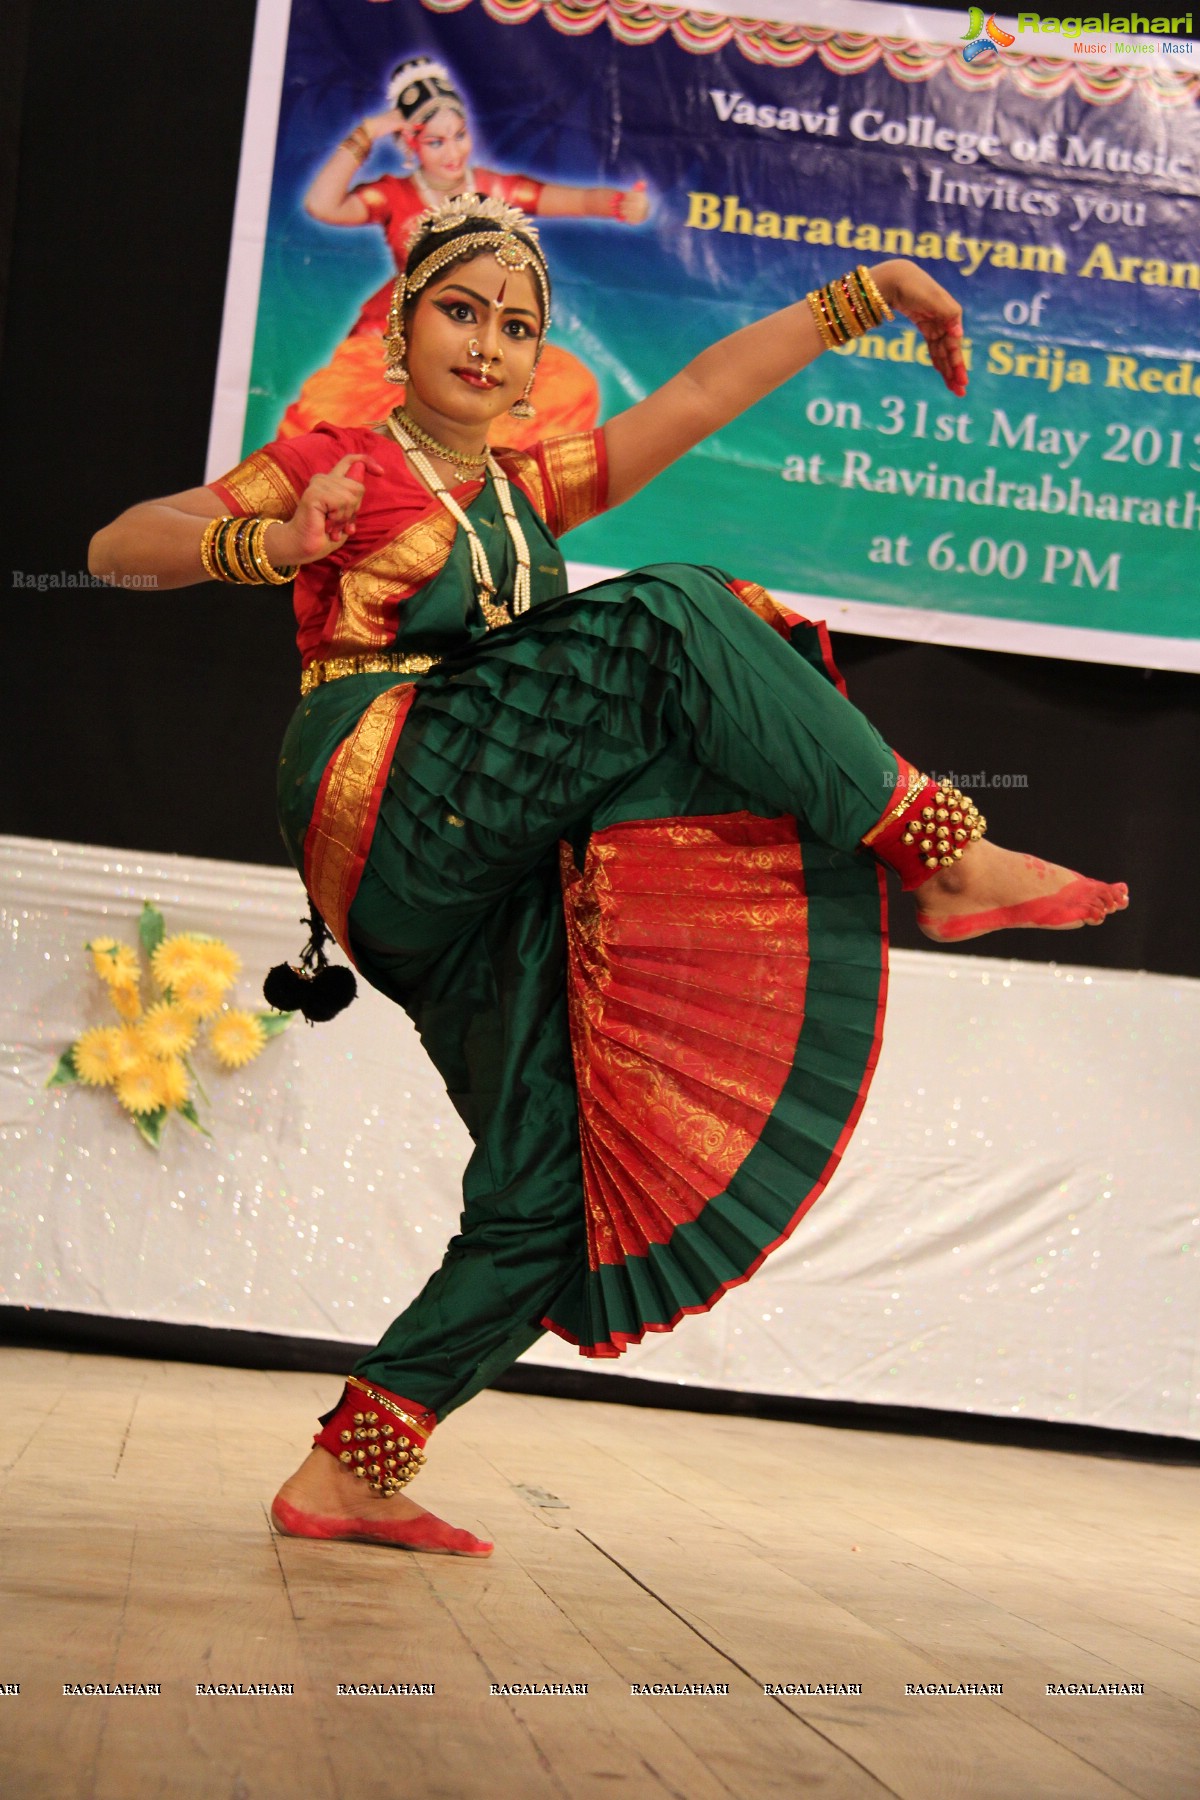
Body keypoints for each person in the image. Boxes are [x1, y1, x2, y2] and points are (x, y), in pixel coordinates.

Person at [90, 194, 1127, 1560]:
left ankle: (358, 1464)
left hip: (476, 864)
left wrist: (868, 291)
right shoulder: (336, 456)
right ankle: (942, 851)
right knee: (667, 614)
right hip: (383, 781)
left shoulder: (531, 486)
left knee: (551, 1180)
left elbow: (699, 390)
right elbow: (118, 549)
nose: (491, 343)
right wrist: (270, 545)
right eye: (461, 311)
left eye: (519, 327)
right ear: (401, 329)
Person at [277, 54, 649, 448]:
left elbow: (575, 201)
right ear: (410, 143)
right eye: (436, 141)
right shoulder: (393, 195)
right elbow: (322, 204)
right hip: (399, 336)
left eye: (459, 135)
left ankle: (471, 480)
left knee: (570, 389)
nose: (452, 152)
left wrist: (619, 203)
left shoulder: (496, 189)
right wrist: (367, 132)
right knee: (327, 421)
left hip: (483, 336)